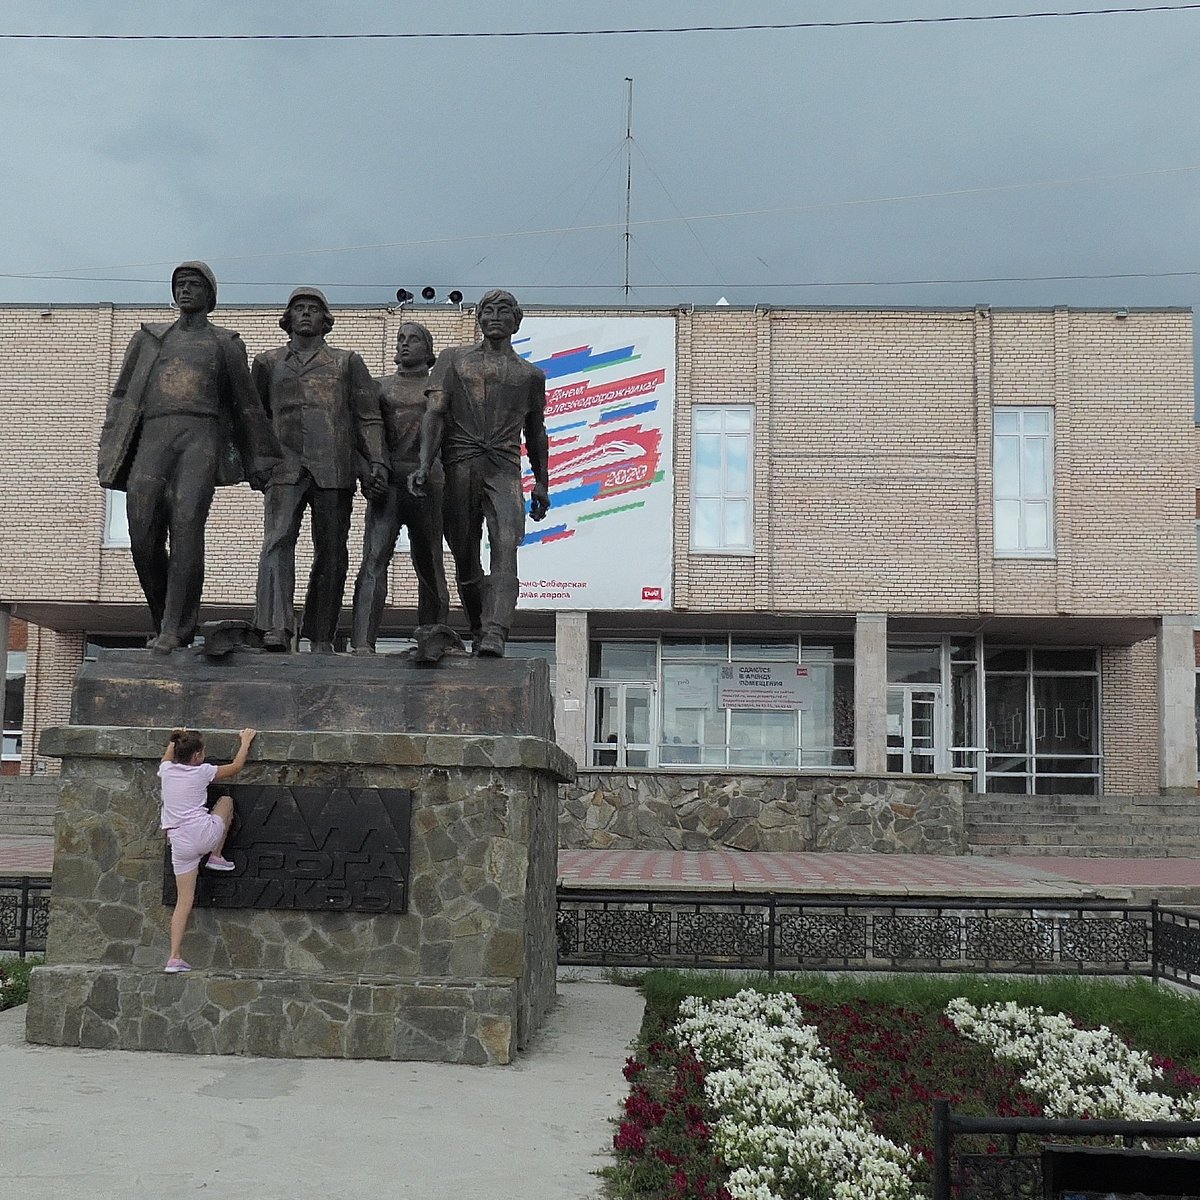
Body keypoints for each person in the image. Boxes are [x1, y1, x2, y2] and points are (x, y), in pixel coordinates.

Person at [97, 262, 280, 654]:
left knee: (186, 529)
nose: (185, 291)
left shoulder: (225, 343)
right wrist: (110, 451)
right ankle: (165, 617)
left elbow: (247, 405)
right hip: (153, 435)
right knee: (142, 535)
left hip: (201, 437)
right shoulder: (149, 339)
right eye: (180, 284)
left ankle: (173, 629)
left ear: (210, 295)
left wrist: (261, 459)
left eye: (194, 285)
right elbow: (121, 398)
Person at [409, 289, 550, 657]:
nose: (496, 317)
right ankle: (477, 625)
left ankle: (496, 631)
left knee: (506, 546)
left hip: (504, 470)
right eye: (489, 310)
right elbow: (434, 413)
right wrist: (424, 464)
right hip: (460, 465)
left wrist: (542, 482)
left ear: (516, 322)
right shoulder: (453, 360)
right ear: (479, 318)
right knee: (465, 556)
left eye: (505, 311)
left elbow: (536, 432)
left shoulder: (530, 375)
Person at [252, 287, 388, 652]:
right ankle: (276, 627)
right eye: (299, 309)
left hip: (334, 467)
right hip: (284, 467)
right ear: (288, 319)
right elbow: (254, 418)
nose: (306, 314)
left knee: (331, 552)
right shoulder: (267, 363)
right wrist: (255, 462)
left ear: (326, 321)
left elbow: (368, 417)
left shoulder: (347, 362)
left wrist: (375, 460)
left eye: (314, 309)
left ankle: (321, 634)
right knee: (277, 542)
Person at [350, 321, 450, 653]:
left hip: (427, 485)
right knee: (374, 561)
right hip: (388, 485)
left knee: (430, 562)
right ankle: (363, 642)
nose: (404, 344)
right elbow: (359, 437)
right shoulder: (379, 388)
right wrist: (367, 474)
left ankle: (432, 637)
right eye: (400, 339)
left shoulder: (439, 390)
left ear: (428, 349)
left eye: (413, 339)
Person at [160, 726, 256, 974]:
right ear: (197, 757)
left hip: (179, 843)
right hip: (203, 836)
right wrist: (245, 742)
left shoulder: (166, 770)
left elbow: (168, 756)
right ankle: (216, 855)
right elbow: (235, 768)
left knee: (184, 900)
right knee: (226, 802)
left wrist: (174, 739)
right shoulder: (202, 772)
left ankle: (174, 957)